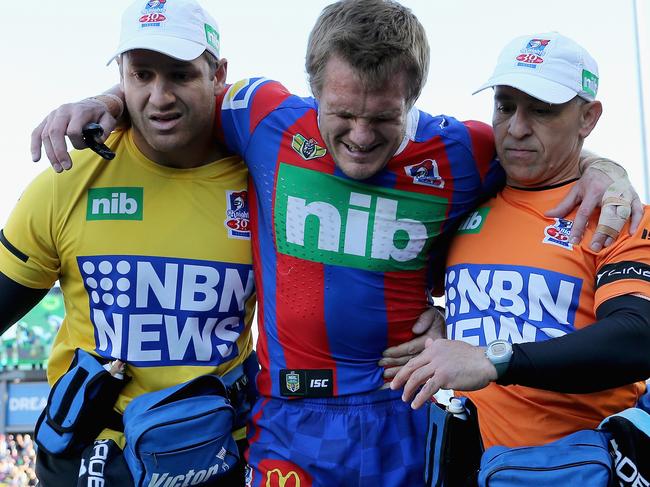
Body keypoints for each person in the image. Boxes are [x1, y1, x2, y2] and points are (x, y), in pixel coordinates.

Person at [29, 2, 642, 485]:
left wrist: (606, 171)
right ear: (311, 90)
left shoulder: (467, 150)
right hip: (288, 424)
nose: (358, 135)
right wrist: (105, 100)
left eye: (383, 118)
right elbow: (171, 101)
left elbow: (546, 165)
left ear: (414, 101)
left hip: (402, 418)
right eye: (341, 113)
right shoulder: (261, 115)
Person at [0, 1, 259, 485]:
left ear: (219, 73)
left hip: (217, 458)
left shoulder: (264, 181)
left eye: (181, 75)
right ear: (122, 75)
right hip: (89, 458)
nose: (158, 97)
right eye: (141, 75)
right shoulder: (65, 179)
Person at [392, 32, 650, 450]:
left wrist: (493, 359)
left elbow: (639, 337)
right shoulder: (466, 196)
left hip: (580, 470)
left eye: (542, 111)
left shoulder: (618, 213)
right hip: (470, 467)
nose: (517, 128)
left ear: (588, 118)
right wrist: (440, 318)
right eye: (505, 106)